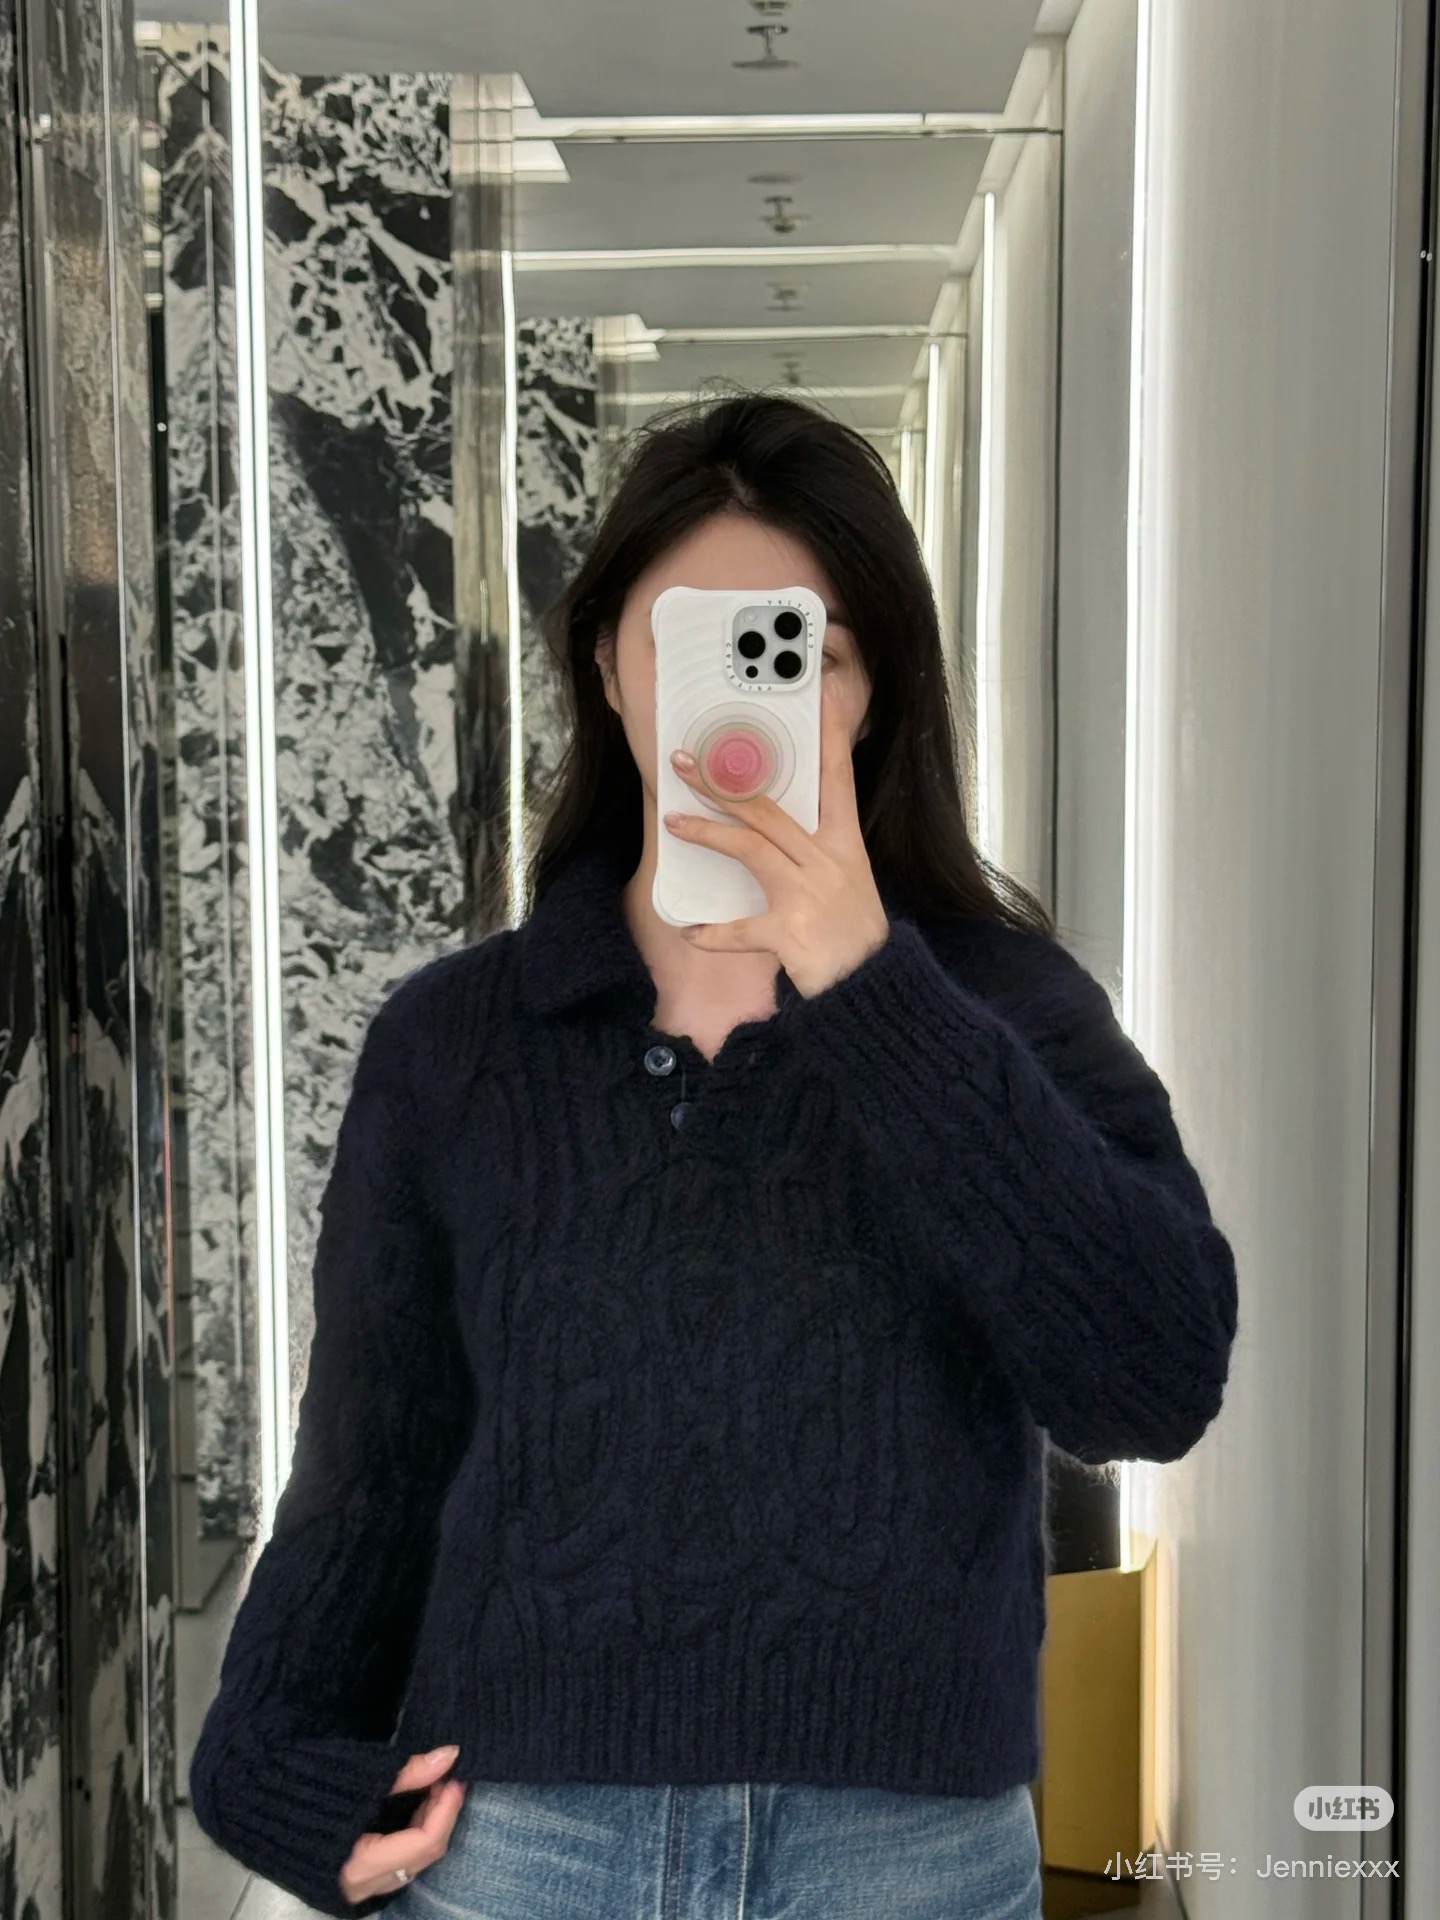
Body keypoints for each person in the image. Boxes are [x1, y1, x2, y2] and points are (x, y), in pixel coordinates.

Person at [189, 390, 1239, 1918]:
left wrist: (876, 990)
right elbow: (374, 1457)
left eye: (805, 649)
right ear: (611, 667)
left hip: (906, 1864)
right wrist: (264, 1760)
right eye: (694, 643)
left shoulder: (1005, 1008)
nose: (740, 705)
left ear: (871, 690)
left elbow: (1152, 1382)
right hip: (518, 1850)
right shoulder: (454, 1044)